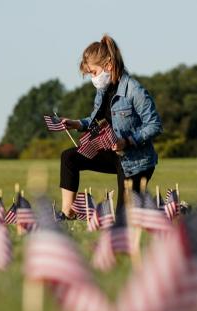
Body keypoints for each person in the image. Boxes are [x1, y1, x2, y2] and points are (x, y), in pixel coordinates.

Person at [57, 34, 162, 219]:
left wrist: (128, 141)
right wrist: (77, 124)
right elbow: (95, 119)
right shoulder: (103, 90)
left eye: (93, 72)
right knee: (69, 158)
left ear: (109, 66)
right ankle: (67, 214)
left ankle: (166, 213)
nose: (92, 78)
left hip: (136, 162)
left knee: (124, 218)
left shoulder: (134, 90)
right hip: (112, 155)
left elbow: (154, 125)